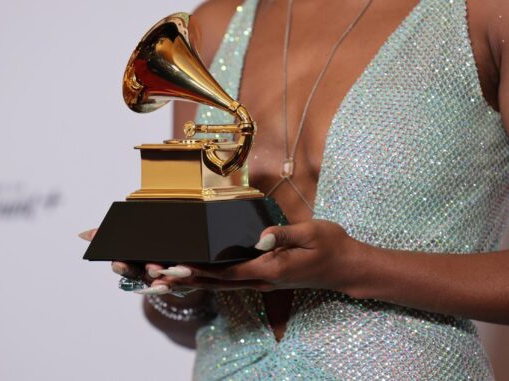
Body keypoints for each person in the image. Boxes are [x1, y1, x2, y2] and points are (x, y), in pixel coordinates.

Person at [81, 0, 509, 379]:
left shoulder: (484, 14)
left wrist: (355, 265)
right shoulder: (209, 28)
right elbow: (188, 323)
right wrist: (175, 279)